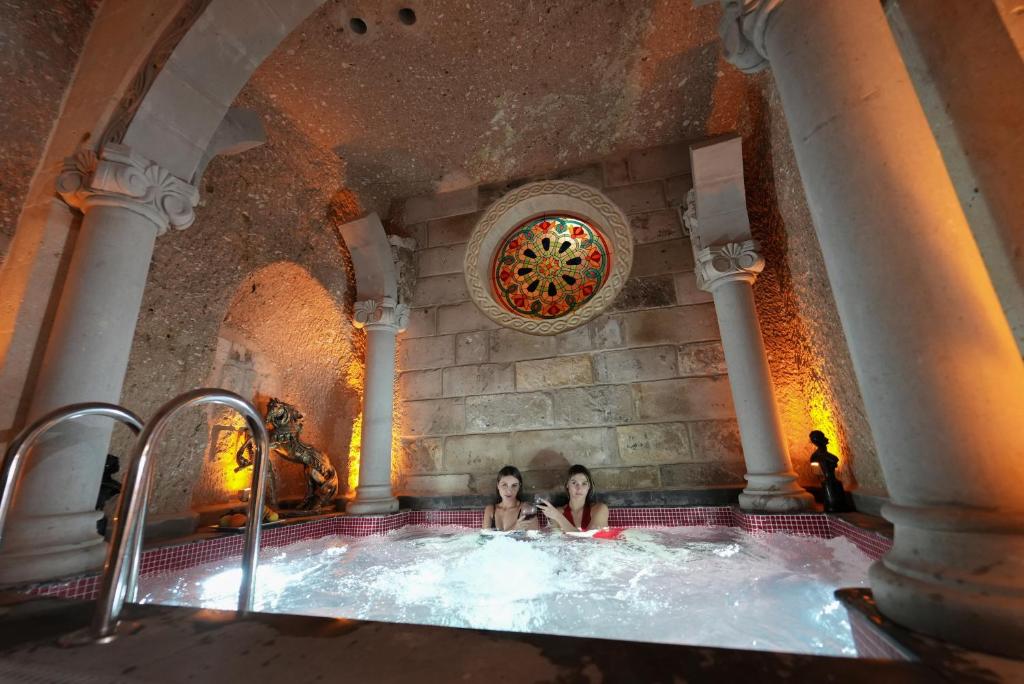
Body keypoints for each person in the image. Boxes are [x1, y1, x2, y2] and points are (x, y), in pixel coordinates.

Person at [536, 464, 609, 532]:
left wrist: (558, 517)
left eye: (584, 483)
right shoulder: (558, 512)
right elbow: (555, 542)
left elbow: (591, 541)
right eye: (574, 483)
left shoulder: (600, 510)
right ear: (567, 485)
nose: (579, 488)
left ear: (589, 487)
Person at [481, 465, 540, 531]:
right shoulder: (490, 510)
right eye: (504, 485)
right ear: (498, 485)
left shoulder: (527, 510)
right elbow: (485, 539)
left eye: (514, 485)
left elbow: (535, 539)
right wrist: (515, 529)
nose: (509, 491)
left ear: (519, 487)